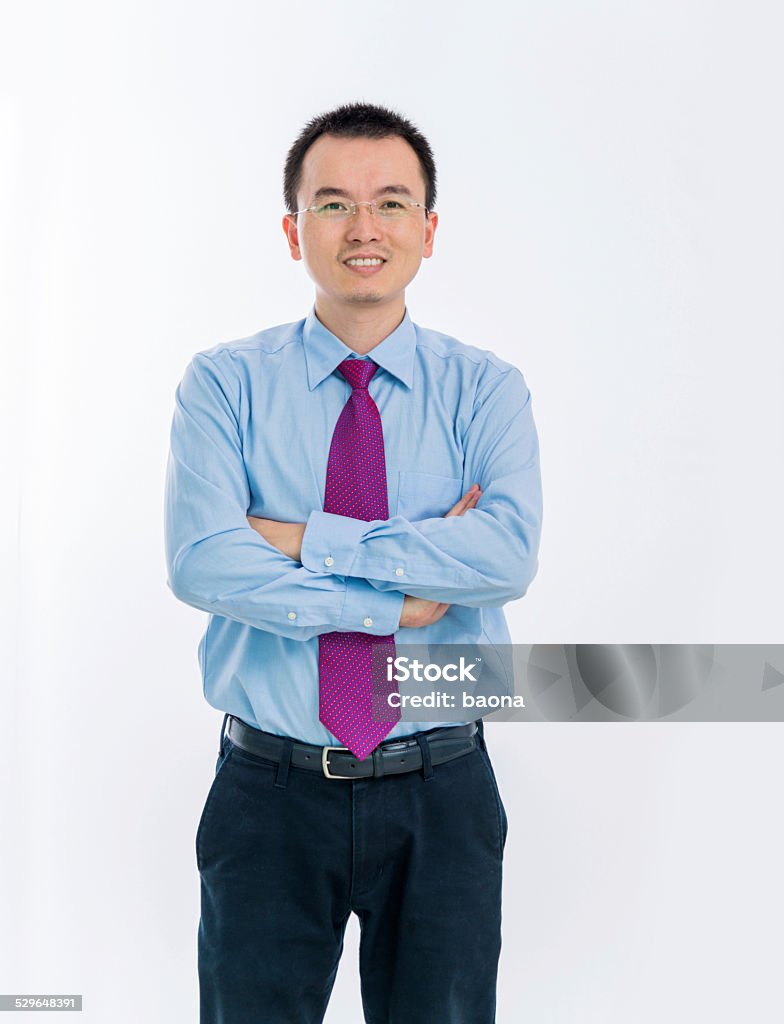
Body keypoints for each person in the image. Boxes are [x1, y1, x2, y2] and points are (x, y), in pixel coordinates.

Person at [164, 101, 543, 1024]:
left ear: (428, 229)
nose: (363, 228)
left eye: (391, 203)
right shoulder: (224, 385)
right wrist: (399, 602)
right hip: (268, 795)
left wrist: (302, 538)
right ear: (294, 231)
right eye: (333, 204)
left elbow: (504, 553)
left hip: (443, 791)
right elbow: (204, 561)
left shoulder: (485, 390)